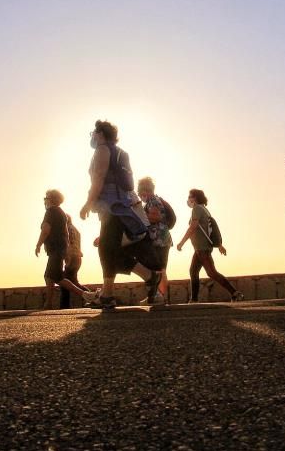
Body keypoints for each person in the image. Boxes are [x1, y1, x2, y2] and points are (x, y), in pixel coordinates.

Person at [78, 120, 163, 309]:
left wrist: (87, 203)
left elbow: (99, 178)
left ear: (100, 133)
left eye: (93, 132)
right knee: (111, 250)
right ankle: (147, 277)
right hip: (121, 205)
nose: (92, 135)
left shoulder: (102, 149)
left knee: (107, 250)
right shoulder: (119, 151)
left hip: (112, 207)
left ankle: (109, 295)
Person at [175, 188, 244, 302]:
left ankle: (235, 293)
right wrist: (219, 245)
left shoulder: (197, 208)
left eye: (190, 196)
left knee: (212, 273)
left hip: (202, 248)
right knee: (193, 271)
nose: (188, 199)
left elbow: (193, 227)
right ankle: (194, 300)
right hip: (200, 248)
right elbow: (211, 230)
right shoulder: (205, 210)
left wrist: (181, 242)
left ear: (195, 198)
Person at [35, 189, 91, 309]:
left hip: (55, 250)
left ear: (51, 200)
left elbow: (45, 229)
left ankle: (86, 295)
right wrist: (66, 252)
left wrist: (38, 244)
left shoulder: (50, 211)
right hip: (60, 250)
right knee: (49, 276)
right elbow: (65, 234)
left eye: (46, 198)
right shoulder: (61, 214)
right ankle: (48, 304)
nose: (45, 201)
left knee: (58, 277)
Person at [137, 176, 175, 304]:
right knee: (160, 268)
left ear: (145, 190)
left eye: (140, 191)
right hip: (162, 238)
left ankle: (159, 296)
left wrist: (139, 213)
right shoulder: (155, 200)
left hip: (159, 239)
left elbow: (155, 217)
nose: (140, 194)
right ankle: (158, 296)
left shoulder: (152, 201)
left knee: (159, 268)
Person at [58, 214, 83, 309]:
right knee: (74, 282)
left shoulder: (66, 229)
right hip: (78, 257)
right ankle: (94, 296)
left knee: (64, 282)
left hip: (71, 258)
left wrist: (67, 258)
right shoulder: (76, 230)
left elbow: (68, 244)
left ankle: (64, 306)